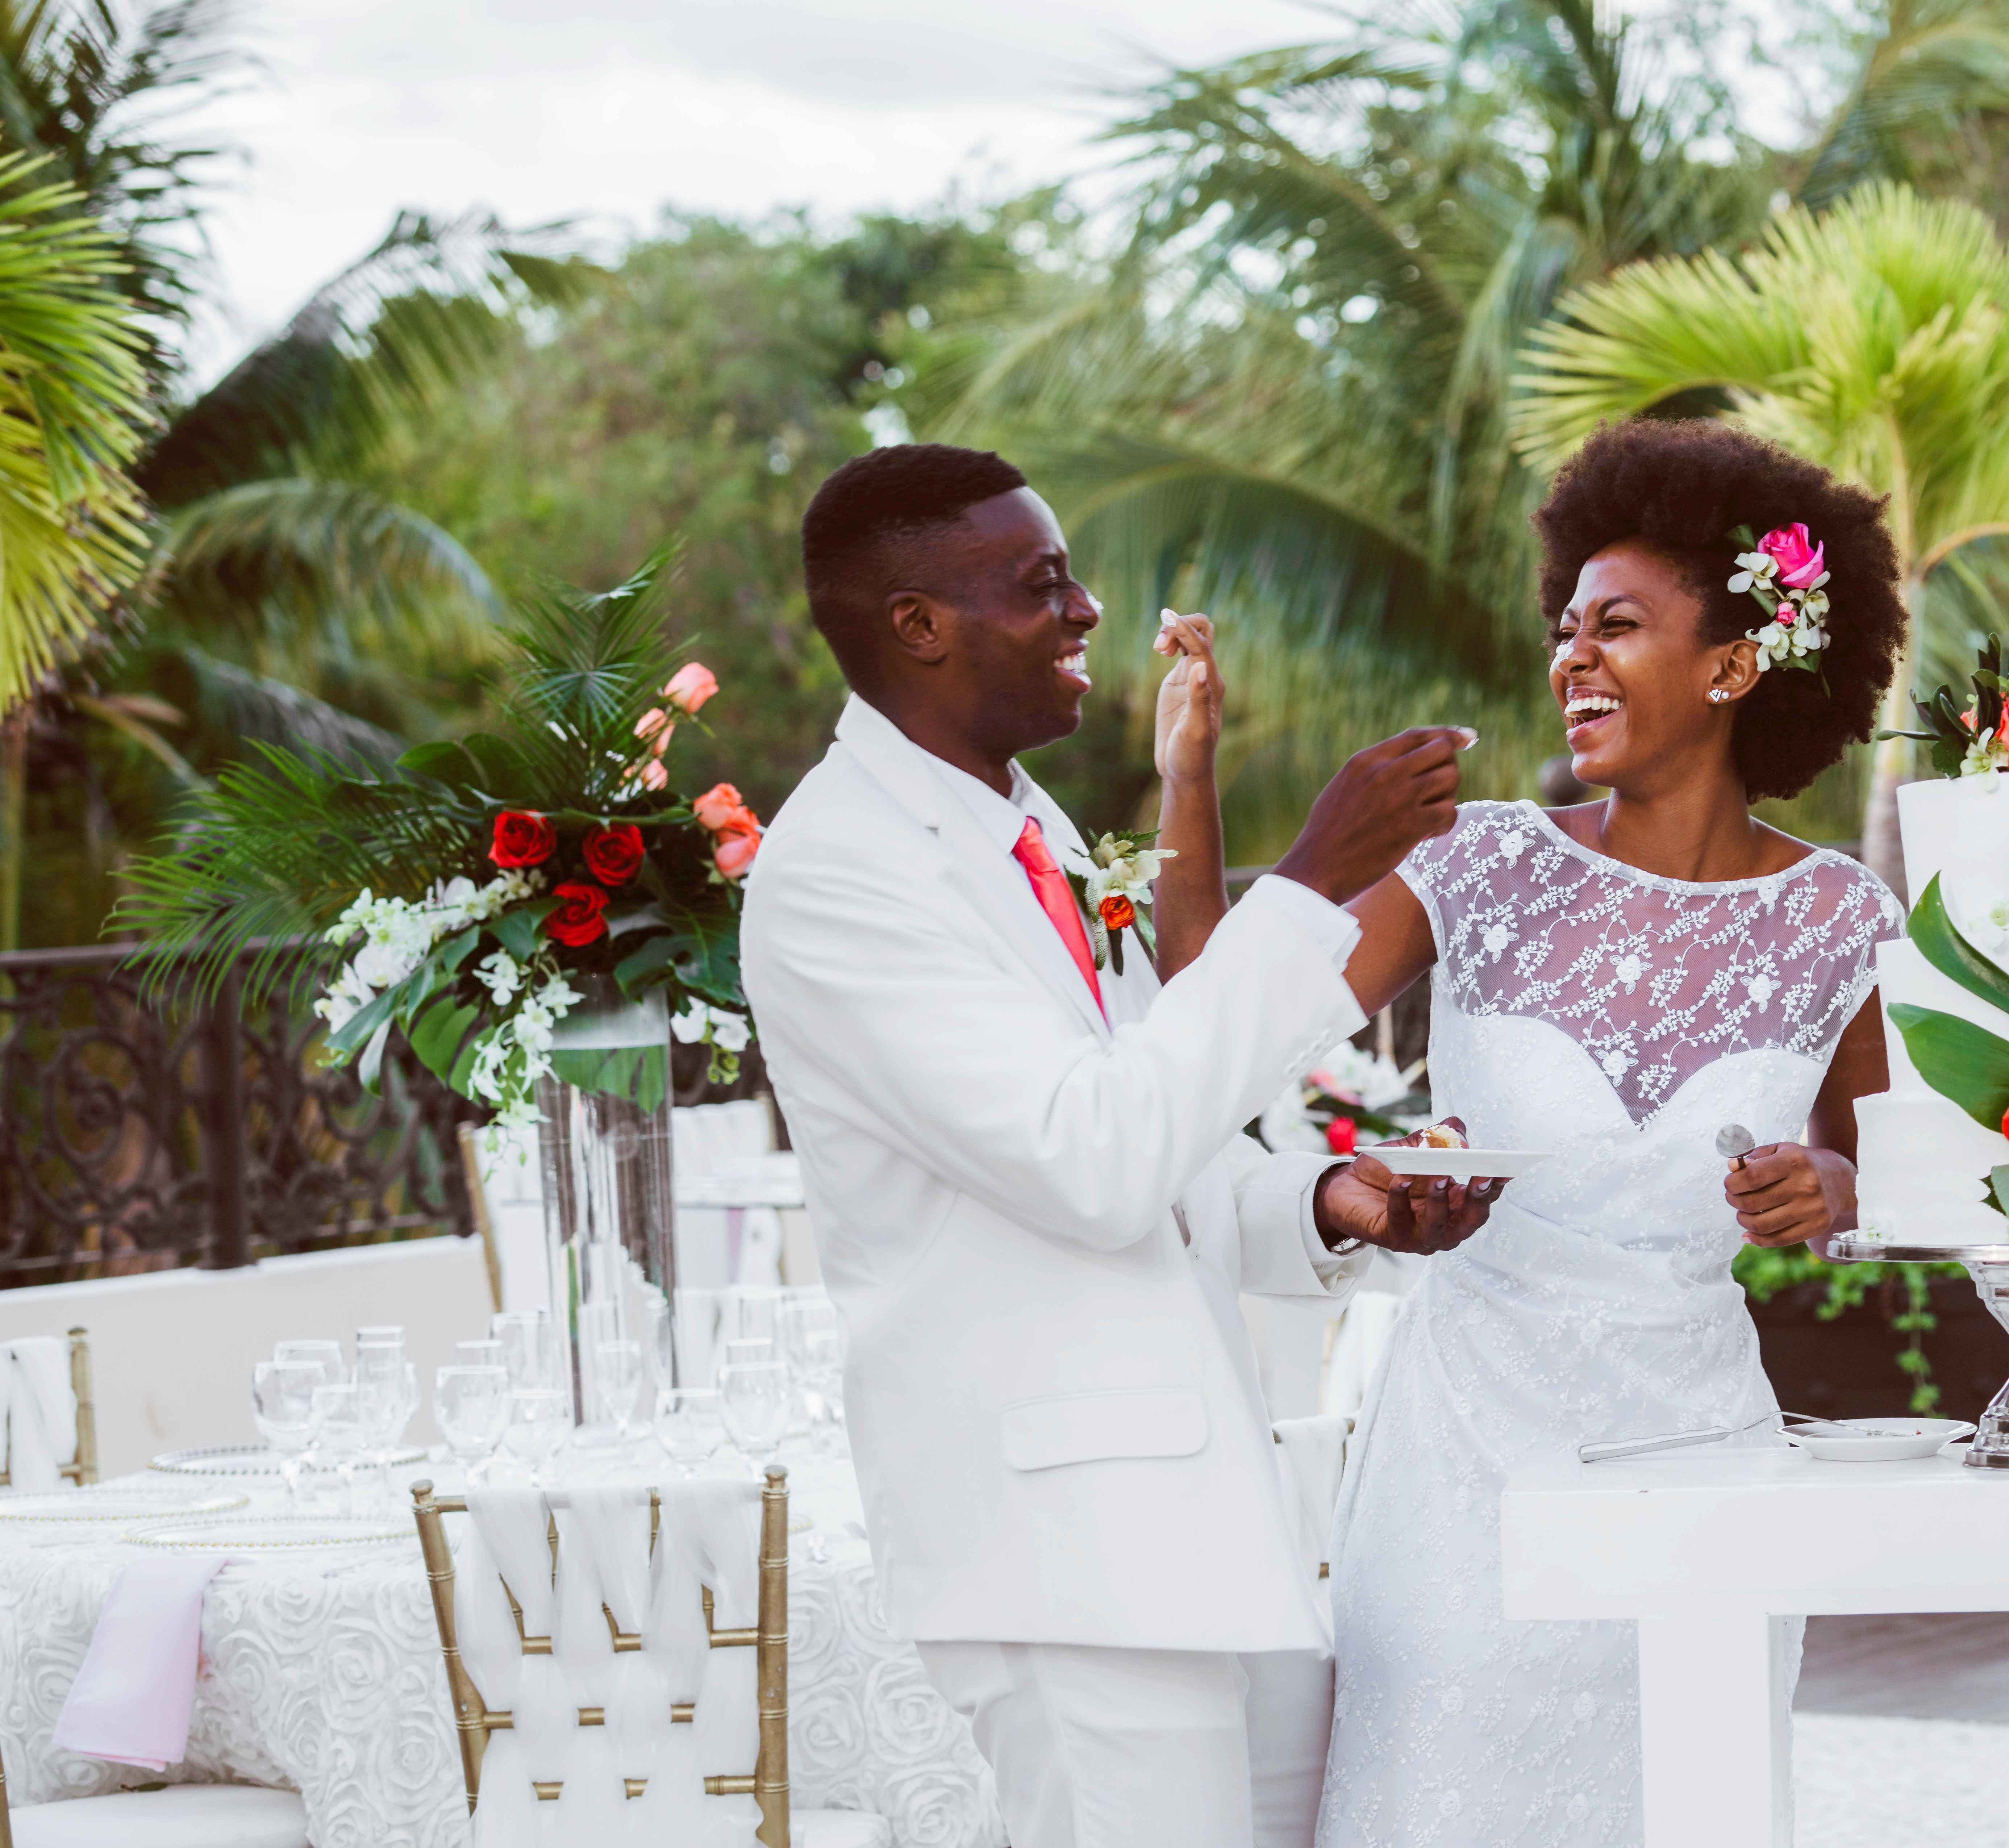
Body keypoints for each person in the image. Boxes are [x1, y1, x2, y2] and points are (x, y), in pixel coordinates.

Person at [741, 444, 1497, 1848]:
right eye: (1042, 584)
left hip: (1203, 1525)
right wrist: (1315, 877)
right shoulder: (839, 870)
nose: (1087, 610)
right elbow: (1091, 1160)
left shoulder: (1023, 831)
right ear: (917, 625)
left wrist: (1326, 1202)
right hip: (1066, 1560)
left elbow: (1163, 1129)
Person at [1309, 418, 1909, 1847]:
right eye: (1566, 626)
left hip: (1702, 1456)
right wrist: (1199, 781)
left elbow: (1884, 1164)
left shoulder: (1842, 920)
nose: (1572, 654)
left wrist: (1822, 1187)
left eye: (1618, 624)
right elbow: (1247, 1017)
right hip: (1461, 1462)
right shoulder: (1479, 862)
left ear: (1733, 662)